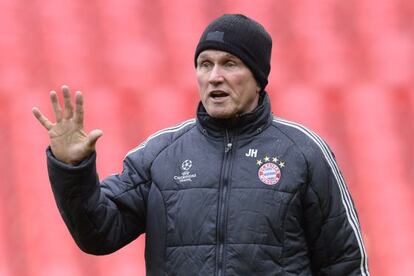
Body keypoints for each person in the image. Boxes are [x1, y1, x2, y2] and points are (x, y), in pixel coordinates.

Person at [33, 14, 370, 275]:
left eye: (230, 64)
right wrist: (73, 169)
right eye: (205, 64)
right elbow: (98, 234)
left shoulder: (304, 153)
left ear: (258, 78)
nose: (214, 77)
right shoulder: (160, 155)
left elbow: (345, 263)